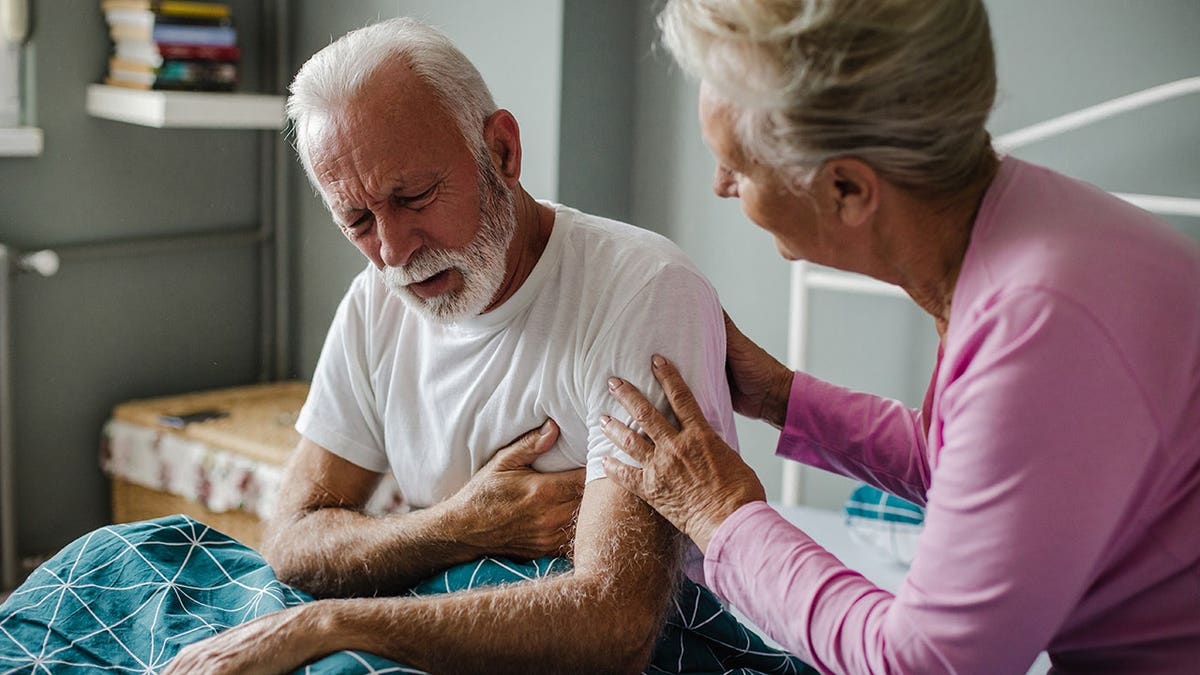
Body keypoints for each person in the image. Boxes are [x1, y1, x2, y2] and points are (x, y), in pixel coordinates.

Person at [159, 16, 805, 675]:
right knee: (131, 558)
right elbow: (294, 540)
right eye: (356, 219)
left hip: (636, 647)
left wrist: (327, 622)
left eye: (412, 195)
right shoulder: (376, 299)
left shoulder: (639, 289)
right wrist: (462, 523)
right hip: (443, 620)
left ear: (501, 150)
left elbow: (616, 625)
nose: (393, 250)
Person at [599, 1, 1200, 674]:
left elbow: (921, 663)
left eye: (736, 166)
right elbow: (971, 470)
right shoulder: (1027, 220)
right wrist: (780, 396)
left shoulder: (1040, 324)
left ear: (848, 188)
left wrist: (723, 516)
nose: (719, 186)